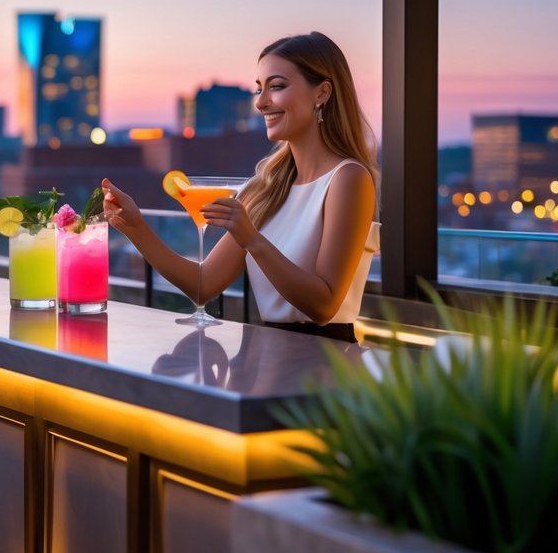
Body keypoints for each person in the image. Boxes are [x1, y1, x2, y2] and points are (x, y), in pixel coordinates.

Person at [103, 31, 379, 342]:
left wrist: (251, 238)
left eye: (276, 87)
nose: (261, 103)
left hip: (327, 364)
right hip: (266, 356)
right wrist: (135, 227)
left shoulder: (348, 179)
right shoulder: (263, 188)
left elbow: (324, 305)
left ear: (322, 93)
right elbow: (203, 284)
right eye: (259, 89)